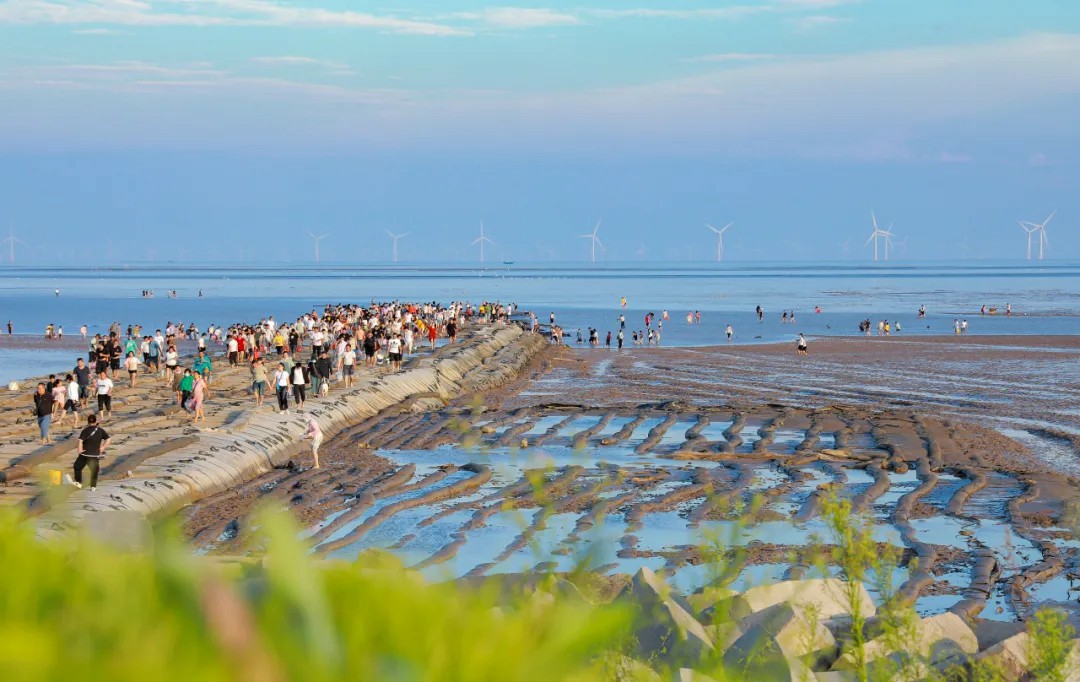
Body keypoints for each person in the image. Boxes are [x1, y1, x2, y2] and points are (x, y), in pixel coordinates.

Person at [72, 414, 109, 491]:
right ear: (96, 421)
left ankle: (78, 483)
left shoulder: (85, 430)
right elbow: (108, 439)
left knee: (77, 467)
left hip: (85, 454)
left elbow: (80, 441)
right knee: (94, 471)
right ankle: (93, 487)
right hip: (94, 455)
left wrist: (80, 450)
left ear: (88, 421)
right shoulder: (100, 430)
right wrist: (103, 447)